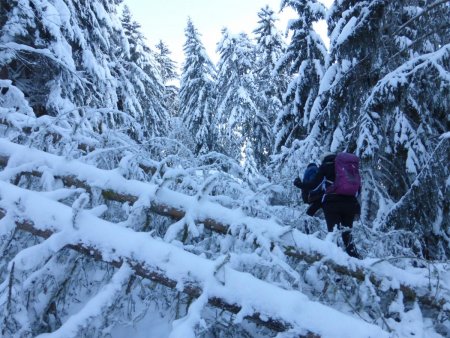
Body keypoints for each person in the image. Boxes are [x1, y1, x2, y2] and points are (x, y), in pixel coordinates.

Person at [294, 152, 361, 259]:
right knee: (347, 235)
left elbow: (313, 185)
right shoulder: (348, 168)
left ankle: (336, 263)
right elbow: (358, 188)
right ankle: (358, 263)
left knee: (333, 235)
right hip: (350, 203)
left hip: (332, 203)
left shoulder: (326, 166)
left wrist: (298, 183)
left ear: (324, 159)